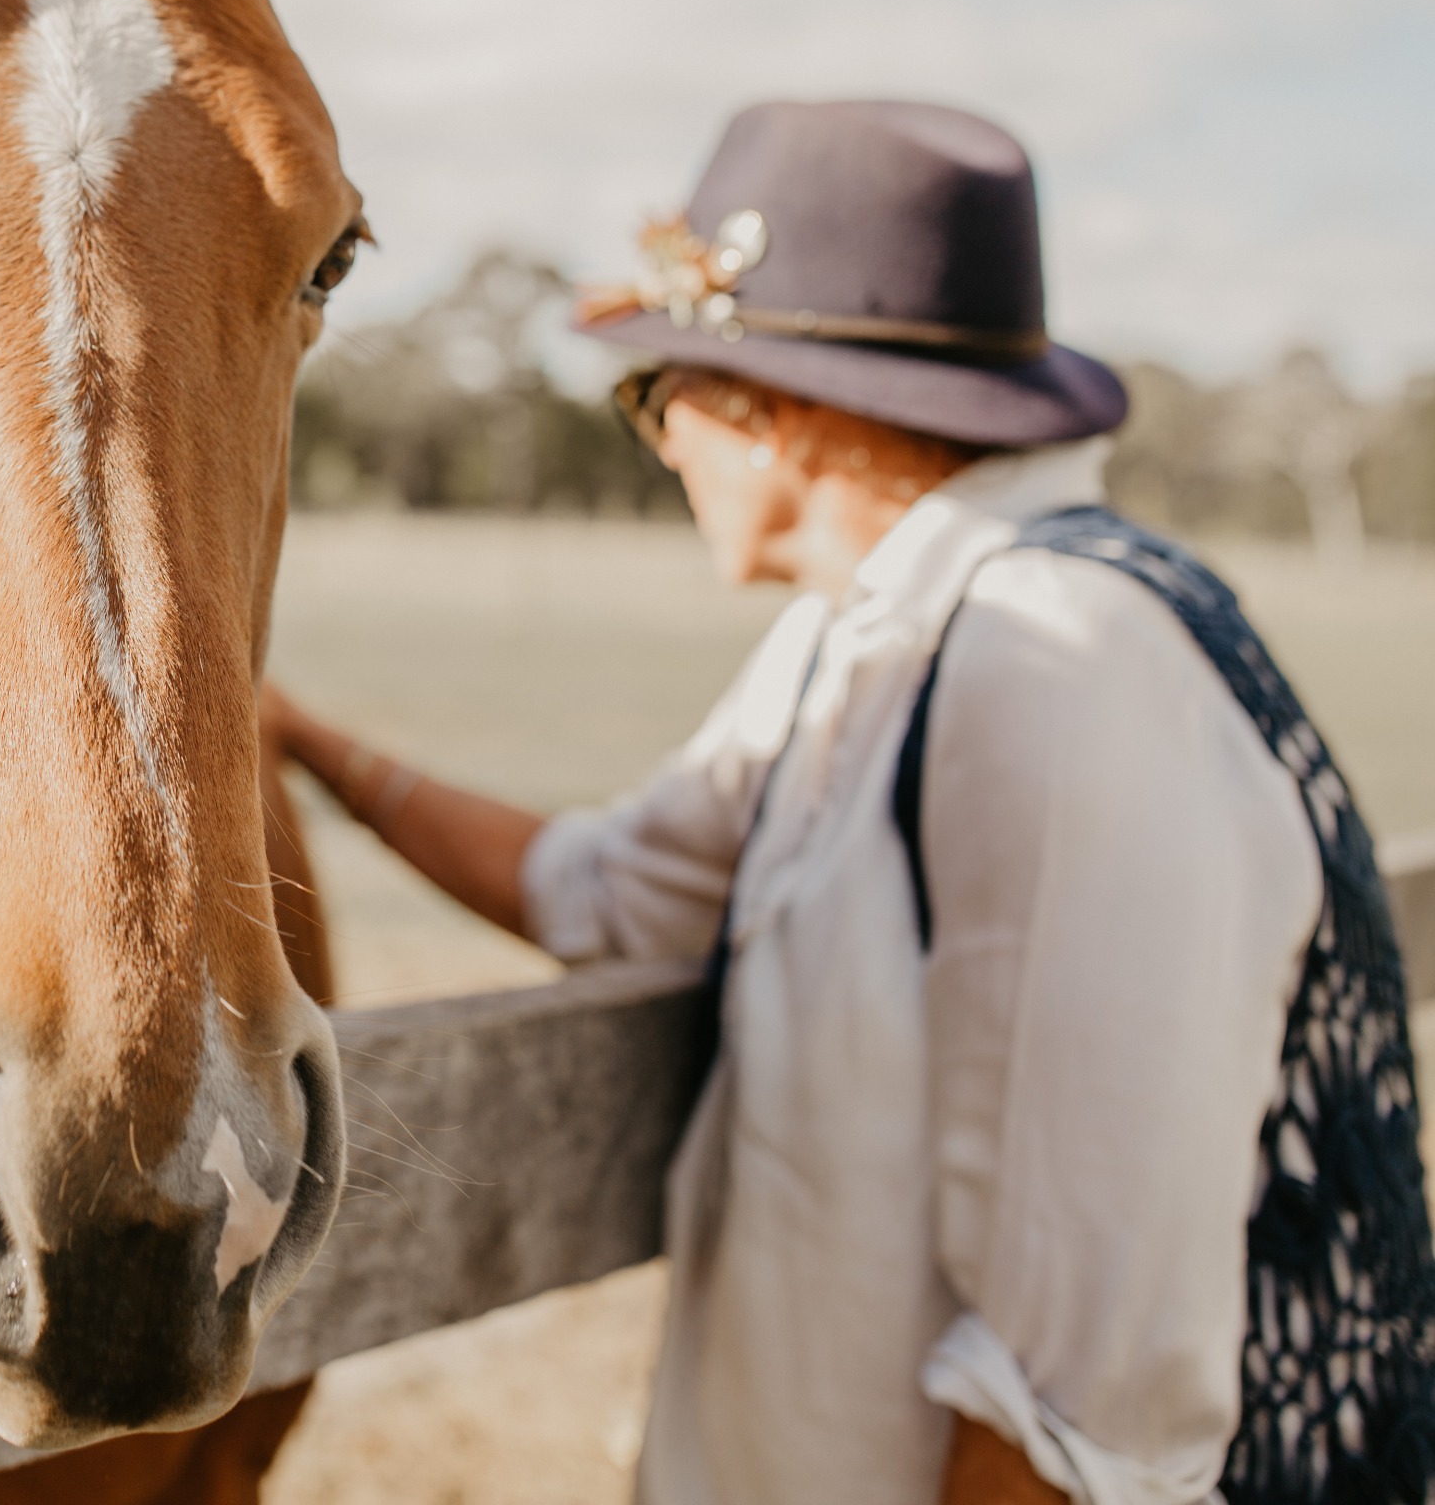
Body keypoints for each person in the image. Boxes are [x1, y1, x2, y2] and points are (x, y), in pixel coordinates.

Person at [263, 100, 1435, 1505]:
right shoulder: (873, 638)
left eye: (658, 395)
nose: (661, 439)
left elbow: (1071, 1412)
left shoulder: (1056, 667)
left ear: (780, 414)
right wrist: (300, 740)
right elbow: (611, 893)